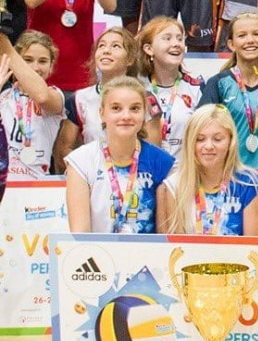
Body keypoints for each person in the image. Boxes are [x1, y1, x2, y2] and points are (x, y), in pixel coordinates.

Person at [65, 75, 174, 234]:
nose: (126, 116)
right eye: (116, 108)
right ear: (102, 113)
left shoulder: (163, 162)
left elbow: (166, 238)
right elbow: (80, 235)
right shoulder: (81, 161)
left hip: (149, 251)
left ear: (145, 113)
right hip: (97, 250)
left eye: (135, 108)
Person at [198, 12, 258, 170]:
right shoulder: (218, 84)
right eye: (242, 35)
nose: (250, 40)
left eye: (257, 34)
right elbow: (200, 130)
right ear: (231, 44)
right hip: (228, 174)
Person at [158, 105, 258, 236]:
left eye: (217, 139)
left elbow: (253, 245)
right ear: (190, 143)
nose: (208, 146)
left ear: (231, 141)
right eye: (200, 139)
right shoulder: (175, 185)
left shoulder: (249, 184)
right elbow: (177, 245)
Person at [54, 28, 142, 170]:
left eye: (115, 46)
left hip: (133, 177)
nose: (106, 51)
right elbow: (63, 150)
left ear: (130, 59)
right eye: (102, 46)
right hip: (92, 176)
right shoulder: (79, 99)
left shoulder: (145, 98)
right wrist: (89, 172)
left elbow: (153, 150)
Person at [136, 16, 204, 158]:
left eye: (180, 39)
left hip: (185, 169)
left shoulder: (197, 88)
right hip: (143, 168)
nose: (176, 44)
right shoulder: (136, 88)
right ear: (149, 49)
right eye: (167, 38)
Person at [0, 31, 65, 178]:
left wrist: (5, 45)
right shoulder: (3, 96)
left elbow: (41, 97)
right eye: (27, 60)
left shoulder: (55, 95)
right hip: (3, 183)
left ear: (51, 66)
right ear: (15, 63)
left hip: (37, 184)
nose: (35, 68)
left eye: (42, 61)